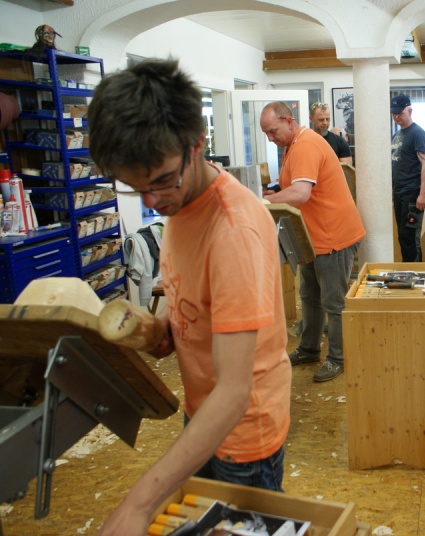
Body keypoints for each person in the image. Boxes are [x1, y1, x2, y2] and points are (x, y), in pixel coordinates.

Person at [88, 59, 292, 536]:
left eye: (160, 180)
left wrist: (139, 505)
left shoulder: (233, 232)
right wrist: (163, 329)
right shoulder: (180, 197)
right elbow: (201, 309)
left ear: (197, 144)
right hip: (202, 414)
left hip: (243, 432)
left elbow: (235, 392)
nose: (151, 200)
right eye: (135, 188)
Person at [260, 101, 365, 382]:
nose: (270, 138)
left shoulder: (305, 144)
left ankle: (338, 358)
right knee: (310, 296)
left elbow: (301, 193)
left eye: (273, 131)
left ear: (288, 121)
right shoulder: (293, 145)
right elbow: (291, 186)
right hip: (310, 236)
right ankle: (309, 348)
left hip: (334, 236)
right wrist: (271, 193)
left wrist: (263, 202)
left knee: (333, 301)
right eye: (266, 134)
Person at [390, 94, 425, 262]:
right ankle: (408, 272)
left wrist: (422, 194)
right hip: (399, 193)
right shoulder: (397, 135)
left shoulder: (418, 134)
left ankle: (416, 273)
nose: (396, 117)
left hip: (412, 193)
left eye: (400, 113)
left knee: (410, 239)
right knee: (403, 237)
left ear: (410, 111)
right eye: (394, 113)